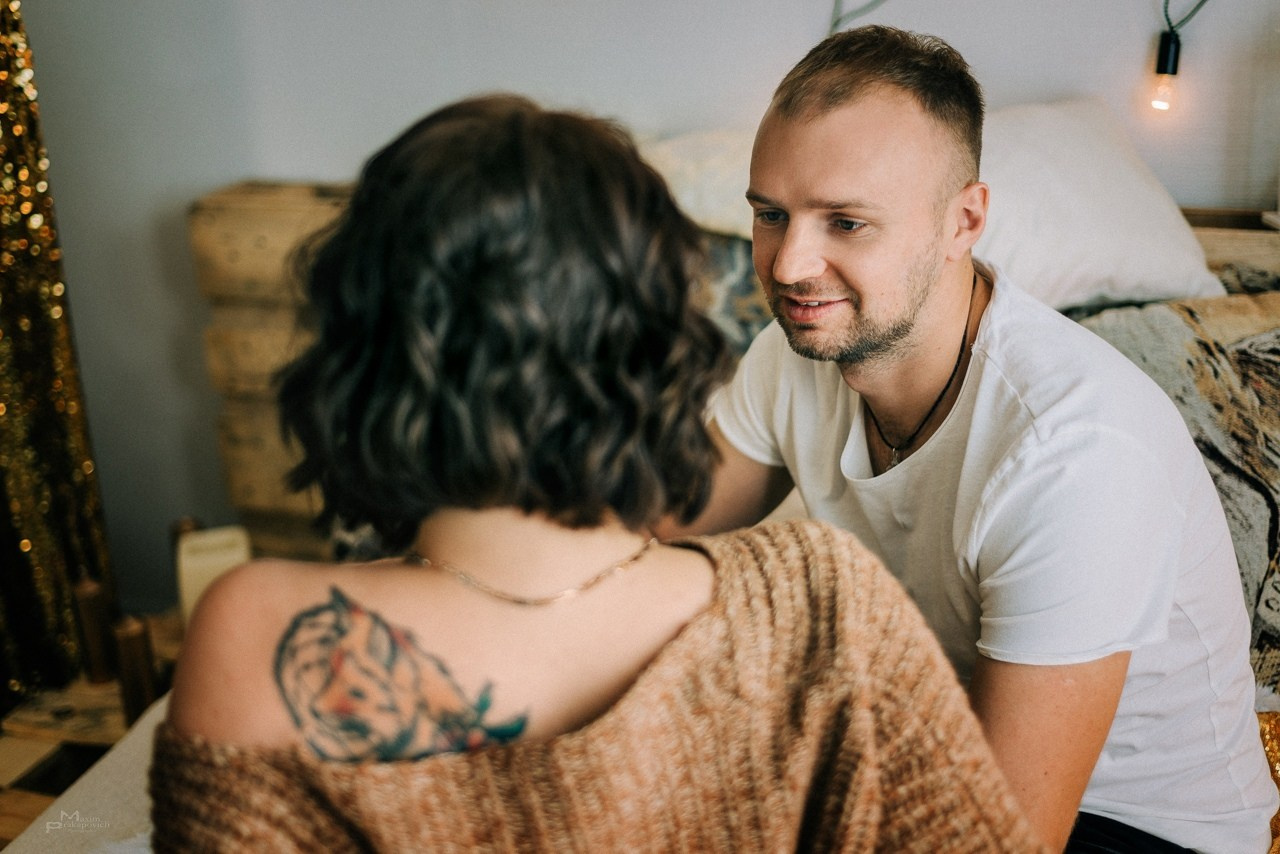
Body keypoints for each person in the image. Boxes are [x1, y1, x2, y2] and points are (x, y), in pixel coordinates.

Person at [148, 94, 1045, 852]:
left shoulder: (255, 635)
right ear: (663, 339)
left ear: (360, 345)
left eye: (844, 221)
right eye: (771, 217)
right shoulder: (826, 606)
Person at [660, 24, 1276, 853]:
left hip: (1130, 825)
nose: (790, 265)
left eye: (846, 223)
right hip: (932, 743)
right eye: (772, 214)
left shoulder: (1074, 450)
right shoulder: (797, 351)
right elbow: (661, 538)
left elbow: (1004, 840)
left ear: (964, 222)